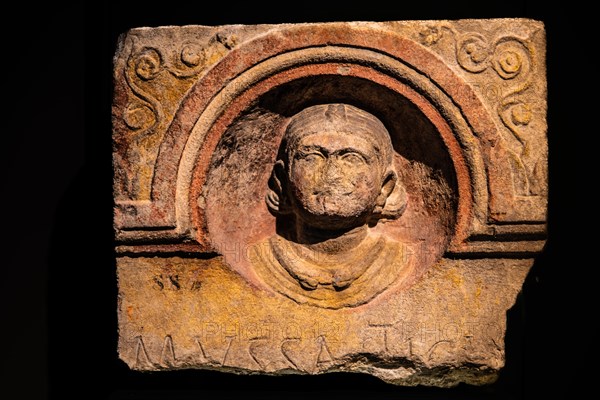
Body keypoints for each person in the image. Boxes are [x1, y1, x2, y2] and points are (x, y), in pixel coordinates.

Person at [250, 103, 413, 308]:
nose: (331, 175)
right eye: (312, 157)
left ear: (385, 185)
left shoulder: (397, 261)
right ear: (283, 178)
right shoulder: (259, 259)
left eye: (352, 158)